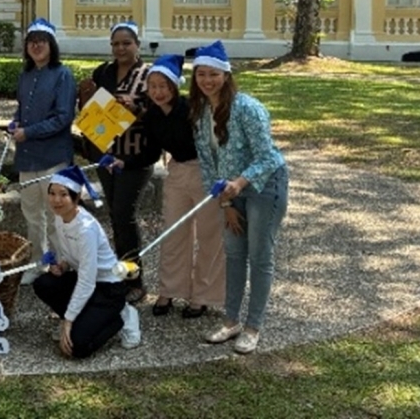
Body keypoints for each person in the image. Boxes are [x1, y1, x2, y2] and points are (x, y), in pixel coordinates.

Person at [188, 40, 289, 355]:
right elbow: (209, 165)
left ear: (226, 75)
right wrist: (226, 203)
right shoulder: (200, 113)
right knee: (233, 254)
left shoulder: (247, 108)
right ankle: (231, 321)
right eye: (201, 74)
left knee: (260, 256)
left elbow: (268, 157)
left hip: (264, 187)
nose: (207, 80)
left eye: (214, 74)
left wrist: (240, 183)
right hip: (232, 194)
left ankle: (253, 326)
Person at [108, 54, 225, 318]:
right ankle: (170, 290)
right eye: (153, 86)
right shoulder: (152, 116)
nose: (158, 92)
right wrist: (124, 162)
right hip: (177, 172)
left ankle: (202, 296)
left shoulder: (192, 109)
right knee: (173, 233)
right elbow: (150, 153)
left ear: (174, 86)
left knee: (208, 235)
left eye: (163, 86)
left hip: (205, 172)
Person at [32, 165, 142, 358]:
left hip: (108, 288)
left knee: (77, 348)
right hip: (87, 282)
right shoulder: (60, 217)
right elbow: (70, 255)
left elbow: (87, 281)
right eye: (52, 193)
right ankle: (83, 319)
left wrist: (68, 321)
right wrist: (63, 265)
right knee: (43, 283)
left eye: (63, 194)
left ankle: (121, 316)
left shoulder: (85, 229)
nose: (56, 200)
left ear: (76, 198)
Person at [78, 21, 152, 303]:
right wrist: (85, 97)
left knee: (124, 215)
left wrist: (137, 108)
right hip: (106, 153)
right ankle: (119, 273)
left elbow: (159, 108)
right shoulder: (103, 72)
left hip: (134, 155)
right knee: (115, 214)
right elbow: (90, 110)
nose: (120, 48)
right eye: (116, 44)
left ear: (137, 45)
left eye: (126, 43)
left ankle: (135, 280)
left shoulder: (149, 75)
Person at [10, 18, 76, 285]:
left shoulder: (63, 75)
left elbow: (63, 117)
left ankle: (62, 263)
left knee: (56, 212)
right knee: (31, 214)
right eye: (31, 42)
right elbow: (21, 109)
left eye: (42, 41)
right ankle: (38, 262)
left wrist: (29, 132)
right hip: (27, 157)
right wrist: (15, 123)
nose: (36, 46)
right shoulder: (24, 76)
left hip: (53, 156)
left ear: (51, 45)